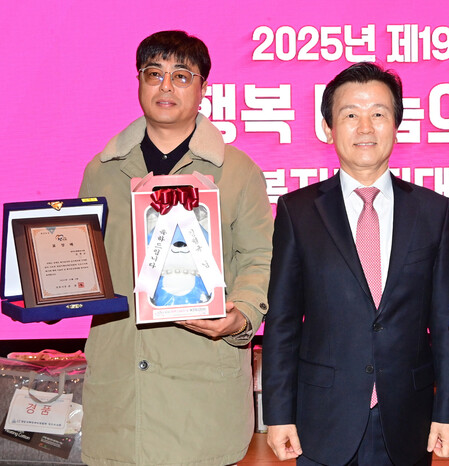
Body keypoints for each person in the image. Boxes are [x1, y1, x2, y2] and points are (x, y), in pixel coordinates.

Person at [79, 30, 273, 465]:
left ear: (203, 90)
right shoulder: (101, 170)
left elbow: (258, 257)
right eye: (154, 74)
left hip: (201, 394)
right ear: (139, 82)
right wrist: (55, 292)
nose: (165, 86)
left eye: (181, 76)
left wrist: (241, 314)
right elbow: (87, 261)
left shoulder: (238, 171)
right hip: (122, 397)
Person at [261, 62, 449, 465]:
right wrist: (279, 414)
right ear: (328, 128)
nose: (365, 127)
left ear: (397, 126)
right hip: (322, 418)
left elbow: (447, 323)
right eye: (350, 115)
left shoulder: (433, 211)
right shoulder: (297, 211)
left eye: (378, 113)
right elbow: (283, 322)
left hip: (407, 418)